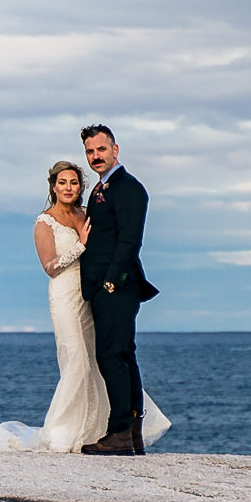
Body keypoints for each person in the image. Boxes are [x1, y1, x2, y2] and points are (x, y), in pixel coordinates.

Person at [0, 158, 170, 454]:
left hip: (90, 296)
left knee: (98, 360)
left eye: (73, 182)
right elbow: (50, 266)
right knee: (76, 361)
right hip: (64, 297)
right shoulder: (44, 221)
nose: (68, 188)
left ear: (80, 187)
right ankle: (62, 430)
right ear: (53, 187)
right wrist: (81, 245)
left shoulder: (87, 213)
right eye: (62, 183)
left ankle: (101, 429)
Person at [77, 123, 161, 455]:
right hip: (104, 288)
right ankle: (130, 432)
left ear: (115, 149)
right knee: (120, 355)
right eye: (89, 151)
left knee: (113, 356)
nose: (95, 156)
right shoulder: (102, 190)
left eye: (101, 149)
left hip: (117, 288)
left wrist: (112, 282)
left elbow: (130, 241)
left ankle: (120, 430)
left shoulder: (128, 188)